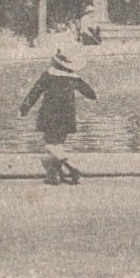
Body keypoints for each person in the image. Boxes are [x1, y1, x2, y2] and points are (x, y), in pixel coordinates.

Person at [18, 48, 97, 185]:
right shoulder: (75, 79)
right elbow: (91, 94)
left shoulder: (49, 74)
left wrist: (23, 110)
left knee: (50, 144)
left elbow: (34, 93)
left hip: (50, 114)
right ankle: (56, 176)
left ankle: (71, 166)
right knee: (57, 144)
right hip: (67, 115)